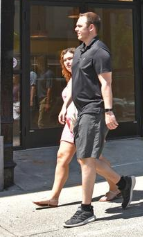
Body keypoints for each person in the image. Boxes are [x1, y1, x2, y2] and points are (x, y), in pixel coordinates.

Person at [61, 12, 135, 228]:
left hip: (94, 110)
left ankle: (86, 209)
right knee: (87, 159)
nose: (76, 28)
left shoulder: (100, 52)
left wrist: (109, 111)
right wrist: (67, 106)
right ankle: (123, 182)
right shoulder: (78, 52)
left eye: (79, 25)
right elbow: (76, 82)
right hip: (80, 111)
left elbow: (106, 84)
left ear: (91, 27)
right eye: (75, 25)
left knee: (86, 159)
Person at [33, 48, 120, 208]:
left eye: (71, 58)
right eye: (64, 59)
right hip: (70, 124)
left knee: (94, 159)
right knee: (62, 158)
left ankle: (118, 186)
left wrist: (105, 113)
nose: (67, 61)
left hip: (85, 122)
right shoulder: (72, 77)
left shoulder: (86, 74)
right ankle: (53, 198)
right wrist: (64, 109)